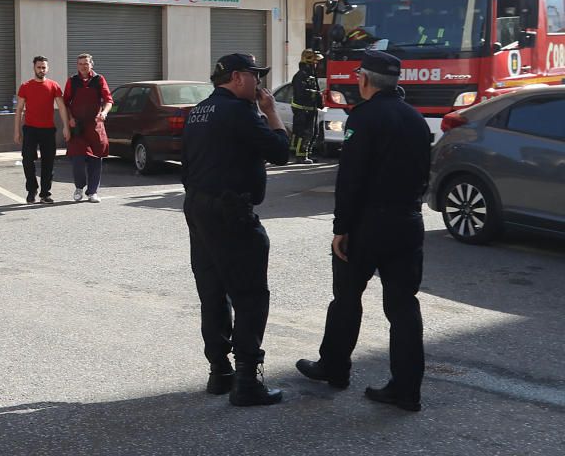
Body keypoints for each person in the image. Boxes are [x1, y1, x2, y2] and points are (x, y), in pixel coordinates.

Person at [296, 50, 431, 412]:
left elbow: (351, 178)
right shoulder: (417, 120)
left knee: (346, 298)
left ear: (365, 79)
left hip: (368, 224)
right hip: (408, 221)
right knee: (403, 307)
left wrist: (342, 227)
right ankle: (406, 389)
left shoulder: (364, 117)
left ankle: (335, 367)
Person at [181, 53, 290, 407]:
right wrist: (271, 112)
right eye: (255, 77)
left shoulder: (198, 110)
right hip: (230, 211)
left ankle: (219, 371)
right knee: (250, 295)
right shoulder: (239, 111)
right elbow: (280, 152)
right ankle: (247, 381)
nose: (259, 84)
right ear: (238, 77)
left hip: (198, 207)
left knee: (212, 292)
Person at [14, 56, 71, 204]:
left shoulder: (54, 86)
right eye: (39, 67)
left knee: (48, 162)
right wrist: (17, 131)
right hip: (30, 129)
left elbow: (62, 107)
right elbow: (19, 110)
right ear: (34, 68)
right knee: (27, 160)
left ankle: (45, 193)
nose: (41, 70)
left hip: (48, 130)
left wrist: (66, 126)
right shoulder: (25, 86)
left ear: (47, 68)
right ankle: (32, 190)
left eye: (44, 67)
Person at [63, 53, 112, 203]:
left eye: (86, 63)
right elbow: (65, 102)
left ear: (91, 64)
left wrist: (103, 113)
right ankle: (79, 188)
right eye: (80, 64)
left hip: (95, 126)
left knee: (96, 159)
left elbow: (108, 100)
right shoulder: (72, 81)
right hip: (77, 126)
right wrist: (69, 119)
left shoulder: (99, 79)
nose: (83, 66)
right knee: (77, 159)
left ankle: (93, 192)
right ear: (77, 66)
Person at [289, 49, 323, 164]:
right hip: (303, 110)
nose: (316, 64)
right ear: (308, 61)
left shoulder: (311, 74)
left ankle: (307, 153)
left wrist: (320, 100)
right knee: (304, 132)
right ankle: (301, 156)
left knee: (313, 132)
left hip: (310, 109)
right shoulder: (300, 75)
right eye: (315, 61)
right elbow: (301, 92)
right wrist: (316, 94)